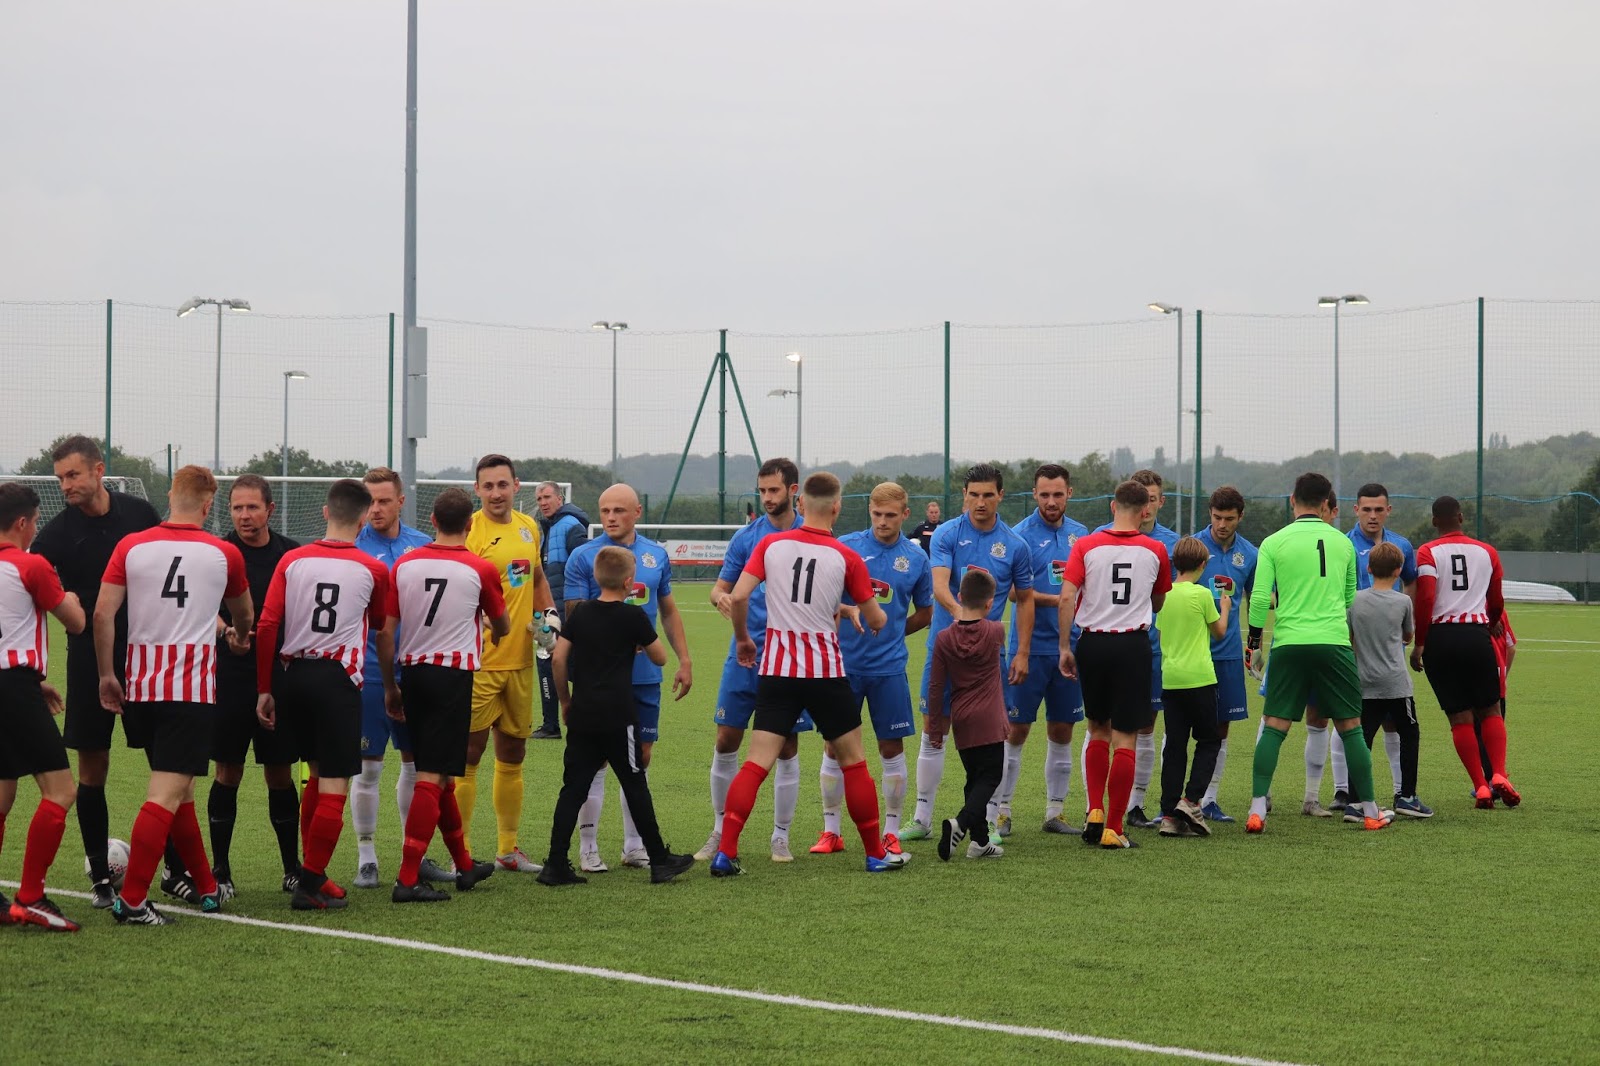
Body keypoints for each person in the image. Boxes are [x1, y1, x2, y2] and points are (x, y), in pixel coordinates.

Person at [712, 472, 904, 877]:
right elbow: (875, 617)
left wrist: (744, 638)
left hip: (777, 670)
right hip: (825, 672)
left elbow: (739, 595)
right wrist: (876, 614)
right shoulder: (846, 556)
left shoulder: (769, 544)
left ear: (801, 505)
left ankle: (726, 852)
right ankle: (874, 854)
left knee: (756, 762)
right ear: (836, 508)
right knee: (854, 762)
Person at [96, 465, 253, 925]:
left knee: (179, 789)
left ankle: (206, 887)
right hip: (190, 690)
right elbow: (245, 614)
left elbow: (104, 615)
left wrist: (107, 674)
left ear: (170, 495)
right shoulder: (224, 553)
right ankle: (133, 900)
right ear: (209, 505)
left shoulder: (131, 545)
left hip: (141, 685)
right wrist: (241, 637)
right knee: (167, 792)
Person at [30, 434, 162, 908]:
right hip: (87, 660)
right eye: (60, 477)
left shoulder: (140, 515)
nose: (66, 485)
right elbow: (27, 596)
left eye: (73, 475)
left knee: (163, 763)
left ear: (98, 470)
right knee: (93, 766)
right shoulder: (56, 536)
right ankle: (102, 881)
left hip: (147, 653)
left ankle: (178, 869)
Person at [255, 478, 399, 911]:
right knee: (335, 779)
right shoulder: (374, 569)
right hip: (338, 680)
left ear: (324, 513)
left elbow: (266, 626)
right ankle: (311, 882)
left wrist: (265, 688)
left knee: (315, 775)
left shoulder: (292, 560)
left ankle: (312, 873)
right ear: (361, 518)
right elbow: (378, 624)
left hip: (292, 674)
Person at [540, 546, 696, 886]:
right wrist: (637, 643)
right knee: (635, 783)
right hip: (618, 716)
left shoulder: (580, 615)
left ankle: (555, 863)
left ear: (596, 578)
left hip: (582, 714)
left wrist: (565, 701)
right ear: (629, 582)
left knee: (574, 788)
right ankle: (658, 859)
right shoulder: (633, 616)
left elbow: (557, 659)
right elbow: (660, 658)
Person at [1244, 473, 1389, 834]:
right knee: (1351, 727)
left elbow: (1261, 598)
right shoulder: (1343, 544)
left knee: (1275, 725)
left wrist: (1253, 643)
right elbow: (1348, 600)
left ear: (1292, 500)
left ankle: (1257, 809)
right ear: (1327, 504)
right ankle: (1371, 811)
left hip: (1290, 642)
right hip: (1333, 642)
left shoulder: (1273, 542)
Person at [562, 483, 692, 872]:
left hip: (644, 677)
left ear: (636, 511)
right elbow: (575, 615)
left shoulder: (655, 556)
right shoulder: (585, 556)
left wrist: (684, 659)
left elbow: (667, 610)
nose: (611, 518)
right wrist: (618, 636)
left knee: (641, 758)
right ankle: (588, 847)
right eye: (605, 511)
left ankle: (634, 845)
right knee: (596, 761)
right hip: (599, 679)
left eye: (619, 510)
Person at [440, 455, 558, 879]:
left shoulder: (529, 526)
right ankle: (464, 852)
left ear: (516, 486)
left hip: (521, 662)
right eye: (487, 486)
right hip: (479, 663)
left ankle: (508, 848)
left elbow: (538, 578)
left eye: (502, 485)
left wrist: (550, 618)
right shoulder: (470, 530)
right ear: (476, 489)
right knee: (469, 755)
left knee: (514, 752)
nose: (495, 493)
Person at [388, 488, 507, 903]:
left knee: (439, 774)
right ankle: (406, 879)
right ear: (470, 525)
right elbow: (504, 626)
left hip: (413, 671)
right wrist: (487, 625)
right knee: (432, 776)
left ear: (433, 522)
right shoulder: (480, 568)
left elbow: (388, 627)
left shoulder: (404, 564)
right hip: (452, 676)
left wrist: (391, 683)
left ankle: (465, 864)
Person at [906, 463, 1033, 841]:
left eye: (987, 495)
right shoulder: (945, 533)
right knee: (934, 730)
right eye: (973, 494)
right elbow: (940, 585)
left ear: (1000, 496)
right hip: (944, 649)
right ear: (964, 495)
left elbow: (1025, 601)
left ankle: (990, 821)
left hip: (988, 660)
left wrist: (1022, 651)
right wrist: (964, 617)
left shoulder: (1015, 544)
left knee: (994, 738)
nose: (980, 502)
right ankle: (922, 818)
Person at [697, 458, 808, 864]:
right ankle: (719, 828)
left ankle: (780, 836)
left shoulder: (810, 536)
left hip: (790, 658)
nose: (766, 498)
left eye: (774, 491)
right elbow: (719, 589)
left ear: (793, 490)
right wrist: (721, 598)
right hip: (744, 655)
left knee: (787, 746)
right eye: (762, 491)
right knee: (727, 737)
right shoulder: (747, 538)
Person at [815, 482, 932, 855]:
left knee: (890, 747)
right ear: (869, 510)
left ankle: (891, 831)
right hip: (842, 668)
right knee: (835, 746)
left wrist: (896, 632)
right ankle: (831, 831)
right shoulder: (846, 547)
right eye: (877, 514)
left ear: (905, 515)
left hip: (889, 670)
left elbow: (926, 612)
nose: (883, 522)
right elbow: (825, 598)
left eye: (891, 516)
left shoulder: (915, 560)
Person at [1057, 480, 1172, 850]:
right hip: (1132, 645)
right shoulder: (1155, 549)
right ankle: (1114, 826)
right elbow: (1157, 603)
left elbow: (1066, 596)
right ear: (1144, 511)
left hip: (1092, 643)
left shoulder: (1086, 545)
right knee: (1127, 735)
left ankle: (1093, 809)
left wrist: (1065, 646)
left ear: (1111, 506)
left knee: (1097, 728)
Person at [209, 475, 303, 898]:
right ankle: (221, 870)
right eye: (236, 508)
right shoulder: (217, 554)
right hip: (229, 677)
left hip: (278, 679)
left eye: (252, 507)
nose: (244, 516)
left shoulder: (290, 556)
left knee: (279, 774)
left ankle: (291, 868)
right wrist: (228, 631)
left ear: (270, 509)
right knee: (228, 770)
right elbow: (203, 608)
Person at [0, 482, 88, 931]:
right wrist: (72, 600)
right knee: (61, 791)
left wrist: (33, 682)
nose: (36, 529)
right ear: (22, 522)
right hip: (12, 690)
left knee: (2, 791)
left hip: (14, 684)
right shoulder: (30, 564)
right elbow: (74, 623)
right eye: (35, 521)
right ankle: (31, 897)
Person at [992, 464, 1088, 837]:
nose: (1051, 501)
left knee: (1062, 729)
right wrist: (1061, 600)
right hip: (1029, 649)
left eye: (1058, 494)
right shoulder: (1019, 537)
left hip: (1071, 648)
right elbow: (1016, 593)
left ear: (1069, 494)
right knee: (1015, 730)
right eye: (1044, 494)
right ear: (1034, 494)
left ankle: (1055, 812)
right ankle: (1002, 810)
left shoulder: (1081, 535)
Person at [350, 467, 431, 889]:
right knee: (367, 767)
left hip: (417, 670)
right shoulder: (351, 546)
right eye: (370, 501)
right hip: (367, 672)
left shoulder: (424, 546)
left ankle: (412, 854)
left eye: (384, 500)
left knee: (416, 765)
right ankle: (367, 857)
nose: (375, 509)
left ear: (401, 501)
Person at [1411, 496, 1518, 809]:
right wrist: (1493, 622)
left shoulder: (1427, 551)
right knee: (1490, 709)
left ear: (1434, 522)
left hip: (1440, 640)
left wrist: (1420, 642)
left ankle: (1480, 787)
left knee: (1459, 717)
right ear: (1461, 517)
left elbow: (1427, 598)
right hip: (1475, 635)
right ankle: (1498, 773)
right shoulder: (1487, 552)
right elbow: (1496, 599)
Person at [1322, 483, 1421, 812]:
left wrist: (1407, 620)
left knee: (1389, 725)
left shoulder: (1401, 545)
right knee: (1347, 721)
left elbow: (1412, 584)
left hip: (1386, 647)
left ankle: (1398, 791)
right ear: (1356, 510)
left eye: (1379, 509)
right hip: (1351, 647)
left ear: (1388, 510)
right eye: (1367, 509)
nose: (1373, 515)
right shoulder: (1344, 544)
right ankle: (1342, 791)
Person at [1093, 469, 1179, 831]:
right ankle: (1095, 806)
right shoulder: (1099, 538)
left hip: (1154, 648)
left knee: (1145, 725)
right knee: (1102, 725)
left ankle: (1135, 805)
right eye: (1142, 496)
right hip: (1117, 643)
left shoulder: (1170, 543)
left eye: (1153, 497)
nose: (1146, 504)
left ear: (1158, 502)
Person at [926, 569, 1008, 861]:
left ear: (959, 597)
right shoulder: (996, 631)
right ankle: (960, 823)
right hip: (989, 718)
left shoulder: (944, 638)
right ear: (989, 603)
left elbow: (936, 687)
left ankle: (980, 842)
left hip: (962, 719)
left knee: (974, 779)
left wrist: (935, 727)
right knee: (991, 776)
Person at [1347, 543, 1431, 818]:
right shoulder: (1403, 601)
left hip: (1364, 682)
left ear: (1368, 568)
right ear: (1398, 571)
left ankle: (1356, 801)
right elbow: (1407, 636)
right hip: (1396, 683)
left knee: (1362, 740)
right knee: (1409, 734)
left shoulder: (1354, 600)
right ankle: (1407, 796)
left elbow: (1350, 638)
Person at [1154, 537, 1229, 838]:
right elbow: (1220, 632)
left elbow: (1161, 634)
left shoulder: (1164, 595)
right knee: (1210, 741)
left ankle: (1169, 815)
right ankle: (1191, 800)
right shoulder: (1201, 595)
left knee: (1175, 746)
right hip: (1200, 679)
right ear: (1202, 565)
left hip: (1171, 680)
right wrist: (1224, 606)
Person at [1192, 486, 1257, 823]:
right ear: (1210, 514)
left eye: (1229, 519)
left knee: (1221, 727)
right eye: (1217, 517)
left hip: (1228, 655)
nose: (1221, 524)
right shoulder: (1192, 547)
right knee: (1180, 728)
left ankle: (1210, 799)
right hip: (1191, 654)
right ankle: (1174, 799)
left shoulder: (1250, 554)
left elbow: (1256, 601)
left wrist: (1255, 645)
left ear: (1239, 517)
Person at [533, 481, 589, 741]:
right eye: (539, 498)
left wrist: (575, 612)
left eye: (547, 497)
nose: (542, 502)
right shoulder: (546, 528)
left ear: (559, 498)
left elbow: (583, 568)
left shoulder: (570, 526)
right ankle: (550, 725)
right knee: (545, 660)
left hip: (567, 612)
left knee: (574, 665)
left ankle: (577, 721)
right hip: (546, 612)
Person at [1481, 607, 1516, 791]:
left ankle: (1488, 783)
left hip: (1476, 674)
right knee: (1495, 726)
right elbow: (1511, 648)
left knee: (1477, 731)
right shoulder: (1499, 610)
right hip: (1497, 677)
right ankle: (1498, 776)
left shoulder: (1468, 609)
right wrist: (1504, 675)